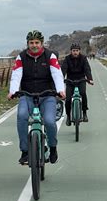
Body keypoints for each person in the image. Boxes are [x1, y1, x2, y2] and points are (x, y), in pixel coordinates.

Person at [7, 30, 65, 165]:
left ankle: (52, 147)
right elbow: (16, 75)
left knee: (50, 121)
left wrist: (60, 90)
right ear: (27, 44)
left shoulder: (50, 56)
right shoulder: (21, 57)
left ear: (42, 43)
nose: (34, 45)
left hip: (47, 95)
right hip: (27, 95)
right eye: (31, 43)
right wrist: (13, 91)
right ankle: (25, 151)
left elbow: (57, 74)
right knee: (21, 116)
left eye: (37, 43)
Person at [61, 43, 94, 125]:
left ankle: (84, 113)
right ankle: (68, 117)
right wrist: (61, 79)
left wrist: (89, 79)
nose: (75, 52)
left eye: (77, 51)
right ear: (71, 51)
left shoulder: (83, 58)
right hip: (70, 80)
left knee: (83, 93)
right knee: (68, 99)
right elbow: (63, 69)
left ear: (79, 51)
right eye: (73, 51)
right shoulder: (67, 59)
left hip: (81, 80)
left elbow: (87, 69)